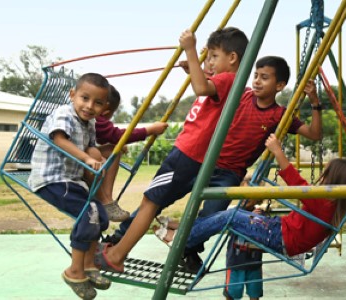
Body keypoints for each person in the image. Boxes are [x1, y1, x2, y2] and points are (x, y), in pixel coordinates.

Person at [103, 56, 323, 272]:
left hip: (229, 173)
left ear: (280, 85)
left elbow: (314, 134)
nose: (256, 81)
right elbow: (211, 85)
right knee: (155, 202)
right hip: (203, 161)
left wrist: (314, 103)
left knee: (212, 217)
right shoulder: (241, 95)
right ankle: (118, 238)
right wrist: (193, 69)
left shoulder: (280, 116)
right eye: (255, 75)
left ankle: (186, 246)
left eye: (264, 77)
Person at [93, 27, 250, 273]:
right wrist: (194, 68)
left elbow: (201, 88)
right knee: (151, 204)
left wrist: (190, 49)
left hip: (187, 154)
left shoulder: (228, 79)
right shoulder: (225, 81)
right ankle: (117, 250)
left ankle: (116, 255)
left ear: (232, 58)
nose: (208, 62)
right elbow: (204, 89)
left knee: (149, 204)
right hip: (190, 155)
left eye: (214, 57)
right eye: (206, 58)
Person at [160, 134, 346, 267]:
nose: (323, 179)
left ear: (334, 181)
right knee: (235, 212)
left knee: (231, 216)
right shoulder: (331, 204)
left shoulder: (324, 202)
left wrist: (278, 152)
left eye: (327, 176)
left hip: (280, 237)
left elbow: (297, 183)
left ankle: (182, 240)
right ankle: (185, 228)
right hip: (279, 230)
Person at [28, 73, 112, 299]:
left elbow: (91, 147)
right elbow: (60, 140)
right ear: (72, 95)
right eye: (85, 98)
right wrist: (86, 159)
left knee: (100, 215)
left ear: (104, 107)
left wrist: (99, 156)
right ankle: (74, 272)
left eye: (97, 103)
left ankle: (88, 265)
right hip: (52, 178)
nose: (89, 106)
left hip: (72, 180)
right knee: (88, 215)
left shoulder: (90, 122)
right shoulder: (64, 113)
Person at [94, 84, 168, 222]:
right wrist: (150, 129)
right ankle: (106, 201)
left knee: (112, 150)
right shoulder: (96, 118)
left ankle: (106, 201)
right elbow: (117, 135)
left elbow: (105, 136)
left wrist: (115, 143)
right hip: (78, 158)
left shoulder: (89, 115)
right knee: (111, 151)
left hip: (82, 154)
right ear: (105, 111)